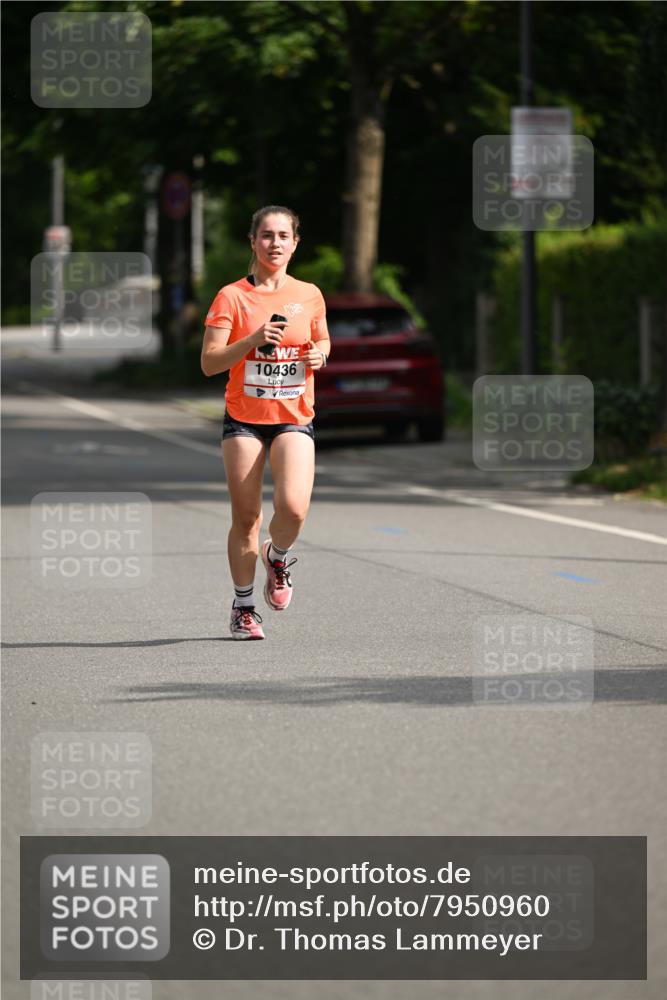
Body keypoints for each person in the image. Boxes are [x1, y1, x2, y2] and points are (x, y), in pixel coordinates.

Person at [201, 205, 331, 639]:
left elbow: (322, 337)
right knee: (246, 517)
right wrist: (253, 339)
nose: (275, 243)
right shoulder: (232, 297)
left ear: (295, 243)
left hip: (294, 416)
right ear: (253, 241)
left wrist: (320, 354)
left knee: (293, 508)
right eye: (267, 235)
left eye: (283, 236)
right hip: (245, 419)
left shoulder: (309, 294)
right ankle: (243, 607)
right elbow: (209, 362)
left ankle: (277, 556)